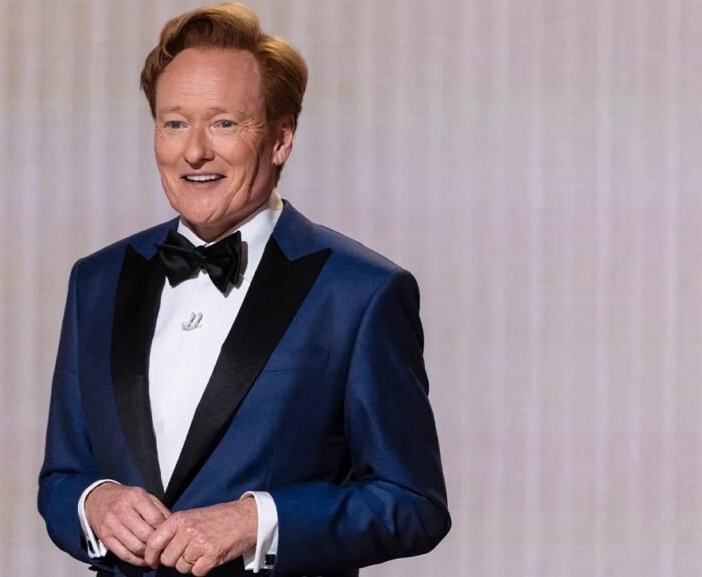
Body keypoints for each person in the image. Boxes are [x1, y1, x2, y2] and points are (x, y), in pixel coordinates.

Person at [37, 3, 450, 576]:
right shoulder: (97, 281)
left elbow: (412, 504)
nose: (194, 151)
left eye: (224, 123)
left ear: (281, 139)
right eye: (174, 123)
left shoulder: (361, 293)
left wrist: (260, 521)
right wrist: (94, 503)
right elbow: (61, 477)